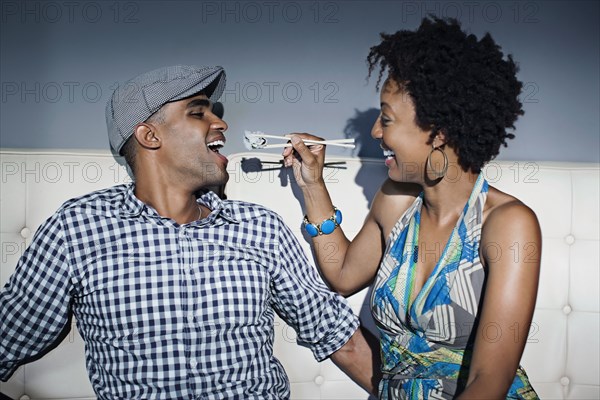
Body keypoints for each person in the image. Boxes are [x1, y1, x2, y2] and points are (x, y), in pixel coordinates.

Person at [0, 65, 378, 399]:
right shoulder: (78, 228)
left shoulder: (259, 228)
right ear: (150, 136)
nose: (222, 124)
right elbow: (10, 335)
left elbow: (338, 337)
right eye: (199, 113)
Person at [282, 17, 541, 399]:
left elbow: (489, 380)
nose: (375, 133)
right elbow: (342, 274)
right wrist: (312, 184)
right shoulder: (395, 201)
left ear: (439, 134)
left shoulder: (507, 224)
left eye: (386, 118)